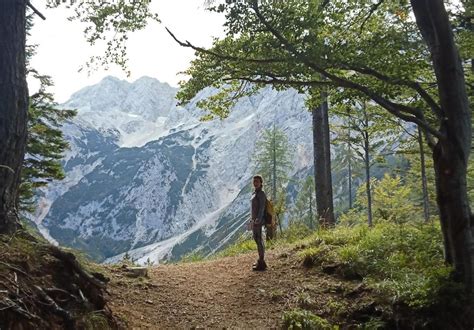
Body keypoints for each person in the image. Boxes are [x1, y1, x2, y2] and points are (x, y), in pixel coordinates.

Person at [250, 175, 267, 271]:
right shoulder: (255, 193)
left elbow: (262, 208)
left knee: (259, 239)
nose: (255, 183)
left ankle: (261, 262)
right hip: (255, 220)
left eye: (257, 181)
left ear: (261, 183)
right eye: (254, 181)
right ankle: (261, 261)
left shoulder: (261, 194)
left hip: (258, 221)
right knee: (257, 239)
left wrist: (258, 219)